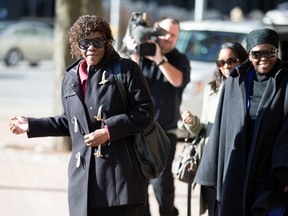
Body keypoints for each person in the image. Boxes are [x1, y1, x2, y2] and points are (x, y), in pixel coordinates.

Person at [8, 15, 155, 216]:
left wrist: (108, 131)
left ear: (107, 42)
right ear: (77, 45)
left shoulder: (126, 70)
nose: (91, 47)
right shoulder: (70, 77)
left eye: (97, 41)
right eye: (85, 42)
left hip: (120, 181)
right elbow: (70, 122)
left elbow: (144, 112)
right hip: (83, 181)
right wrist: (32, 125)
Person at [194, 28, 288, 216]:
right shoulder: (237, 80)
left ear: (277, 52)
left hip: (270, 168)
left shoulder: (285, 80)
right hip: (238, 164)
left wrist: (284, 175)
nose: (264, 58)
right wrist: (213, 171)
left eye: (270, 52)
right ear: (249, 55)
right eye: (257, 53)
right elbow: (222, 127)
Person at [123, 16, 191, 216]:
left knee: (161, 182)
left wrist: (159, 58)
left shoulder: (179, 59)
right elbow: (127, 84)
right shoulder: (140, 54)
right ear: (154, 31)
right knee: (139, 183)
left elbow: (178, 81)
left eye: (173, 35)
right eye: (165, 33)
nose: (168, 37)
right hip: (138, 130)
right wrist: (133, 53)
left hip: (164, 131)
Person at [181, 42, 248, 215]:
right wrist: (191, 122)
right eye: (221, 62)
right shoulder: (211, 88)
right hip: (211, 157)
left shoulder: (249, 88)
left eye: (232, 60)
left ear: (242, 61)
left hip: (236, 158)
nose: (226, 66)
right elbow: (203, 129)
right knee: (214, 209)